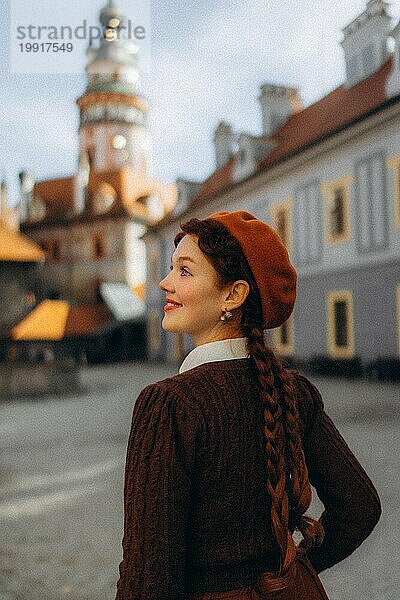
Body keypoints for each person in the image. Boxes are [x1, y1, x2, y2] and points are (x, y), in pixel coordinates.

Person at [115, 210, 381, 600]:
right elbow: (359, 508)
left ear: (234, 295)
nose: (165, 282)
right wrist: (293, 570)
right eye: (172, 268)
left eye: (185, 271)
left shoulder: (169, 405)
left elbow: (148, 581)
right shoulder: (295, 391)